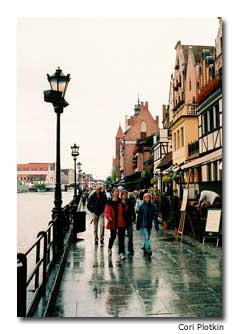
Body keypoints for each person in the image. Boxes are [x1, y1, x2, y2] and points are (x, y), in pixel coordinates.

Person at [104, 188, 126, 260]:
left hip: (120, 221)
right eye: (116, 191)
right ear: (112, 193)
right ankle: (109, 248)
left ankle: (121, 252)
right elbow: (106, 211)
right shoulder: (109, 202)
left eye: (118, 191)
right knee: (113, 236)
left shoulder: (120, 201)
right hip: (113, 221)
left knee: (121, 237)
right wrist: (108, 217)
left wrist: (124, 204)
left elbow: (125, 210)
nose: (117, 193)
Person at [136, 193, 155, 258]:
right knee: (146, 237)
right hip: (143, 224)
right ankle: (148, 250)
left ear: (150, 198)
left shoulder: (152, 206)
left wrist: (156, 225)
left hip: (149, 224)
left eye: (148, 197)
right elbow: (139, 217)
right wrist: (138, 226)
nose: (147, 199)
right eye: (146, 197)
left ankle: (145, 248)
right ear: (144, 198)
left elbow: (154, 216)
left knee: (147, 238)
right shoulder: (141, 206)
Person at [121, 190, 136, 255]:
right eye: (123, 195)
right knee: (122, 236)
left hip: (129, 220)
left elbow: (132, 210)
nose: (125, 196)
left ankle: (130, 248)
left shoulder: (129, 202)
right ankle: (122, 249)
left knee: (130, 235)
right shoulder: (119, 202)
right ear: (121, 195)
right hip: (122, 221)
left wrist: (134, 217)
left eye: (126, 195)